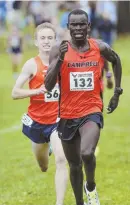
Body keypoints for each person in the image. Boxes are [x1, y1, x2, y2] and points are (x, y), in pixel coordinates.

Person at [45, 9, 123, 205]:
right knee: (74, 165)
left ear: (88, 26)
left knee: (87, 153)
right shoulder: (58, 49)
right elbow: (47, 84)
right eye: (74, 25)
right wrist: (61, 60)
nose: (78, 28)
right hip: (68, 114)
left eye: (82, 24)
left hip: (91, 110)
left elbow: (116, 61)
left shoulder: (100, 47)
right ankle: (80, 202)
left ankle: (91, 187)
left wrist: (117, 92)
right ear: (68, 27)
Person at [12, 22, 68, 205]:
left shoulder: (62, 62)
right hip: (37, 122)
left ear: (55, 40)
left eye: (50, 38)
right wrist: (36, 91)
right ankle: (47, 149)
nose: (46, 41)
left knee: (61, 159)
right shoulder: (31, 65)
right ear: (36, 41)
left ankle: (59, 203)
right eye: (42, 38)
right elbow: (15, 92)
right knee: (44, 166)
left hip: (57, 121)